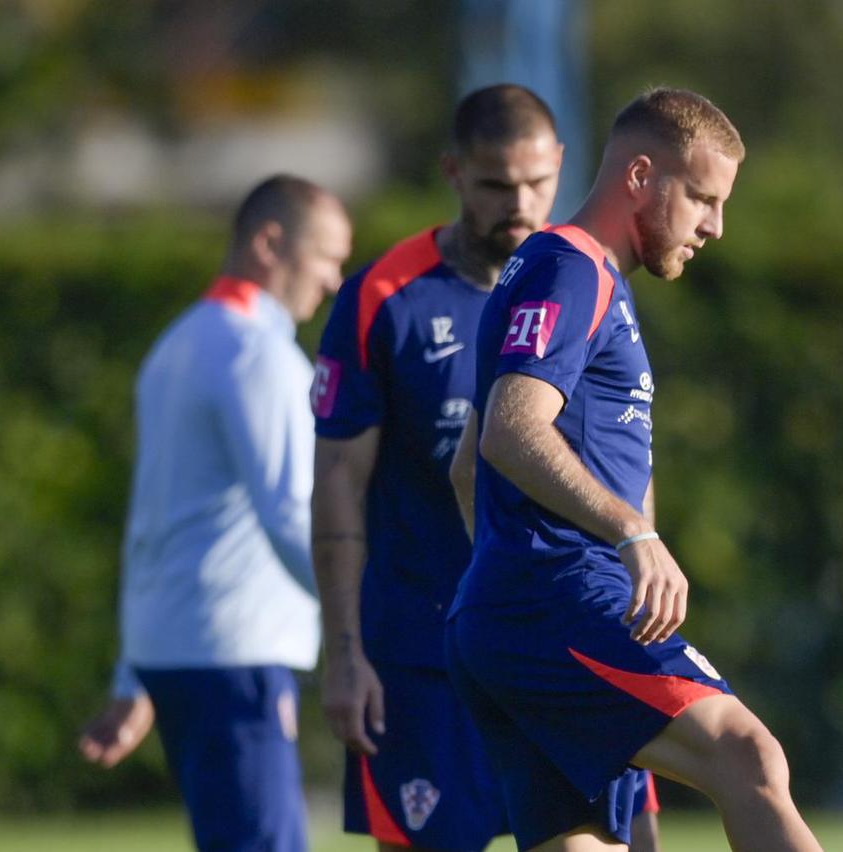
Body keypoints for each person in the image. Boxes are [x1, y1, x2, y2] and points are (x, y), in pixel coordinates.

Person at [445, 87, 823, 852]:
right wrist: (631, 532)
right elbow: (510, 432)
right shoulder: (571, 269)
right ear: (642, 176)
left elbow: (464, 460)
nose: (715, 226)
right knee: (748, 756)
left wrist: (498, 583)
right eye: (704, 200)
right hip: (560, 601)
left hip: (519, 611)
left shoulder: (577, 273)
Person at [309, 84, 662, 852]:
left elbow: (625, 451)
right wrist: (344, 655)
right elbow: (338, 485)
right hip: (421, 656)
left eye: (537, 182)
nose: (522, 204)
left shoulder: (588, 279)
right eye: (497, 185)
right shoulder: (382, 296)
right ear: (454, 172)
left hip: (565, 642)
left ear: (562, 165)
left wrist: (641, 570)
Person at [78, 174, 352, 852]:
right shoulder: (255, 354)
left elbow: (151, 529)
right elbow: (291, 514)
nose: (334, 283)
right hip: (237, 656)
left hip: (179, 651)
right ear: (270, 243)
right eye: (326, 258)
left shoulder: (176, 345)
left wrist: (130, 672)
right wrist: (364, 617)